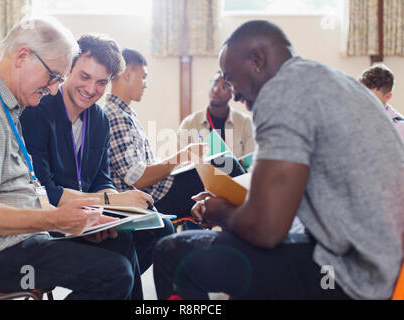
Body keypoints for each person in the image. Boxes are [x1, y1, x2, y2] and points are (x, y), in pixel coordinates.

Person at [153, 20, 404, 300]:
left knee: (173, 254)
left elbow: (267, 229)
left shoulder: (282, 91)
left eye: (232, 79)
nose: (234, 95)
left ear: (257, 60)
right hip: (381, 263)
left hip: (347, 276)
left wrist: (219, 211)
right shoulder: (332, 82)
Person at [0, 18, 138, 300]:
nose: (53, 89)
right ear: (23, 56)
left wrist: (62, 222)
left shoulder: (4, 105)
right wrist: (54, 220)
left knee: (119, 247)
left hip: (11, 243)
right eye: (53, 76)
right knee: (113, 274)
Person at [20, 34, 174, 279]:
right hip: (52, 219)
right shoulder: (39, 111)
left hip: (88, 212)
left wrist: (119, 201)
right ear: (69, 69)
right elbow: (46, 192)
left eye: (102, 82)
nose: (91, 90)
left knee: (158, 228)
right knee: (120, 250)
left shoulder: (100, 119)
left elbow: (102, 179)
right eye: (84, 77)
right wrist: (110, 201)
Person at [104, 49, 245, 221]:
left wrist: (181, 161)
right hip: (153, 198)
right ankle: (257, 215)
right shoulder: (116, 116)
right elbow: (137, 179)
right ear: (127, 74)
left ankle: (246, 219)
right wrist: (183, 155)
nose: (145, 84)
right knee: (225, 163)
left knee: (223, 174)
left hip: (158, 191)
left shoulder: (124, 114)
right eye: (143, 77)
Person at [178, 71, 255, 161]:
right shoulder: (189, 124)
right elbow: (178, 164)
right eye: (214, 83)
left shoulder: (246, 123)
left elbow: (250, 165)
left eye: (224, 87)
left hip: (236, 175)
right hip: (200, 174)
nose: (216, 90)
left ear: (233, 93)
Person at [359, 64, 404, 140]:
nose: (366, 101)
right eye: (363, 94)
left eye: (372, 98)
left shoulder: (399, 128)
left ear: (388, 97)